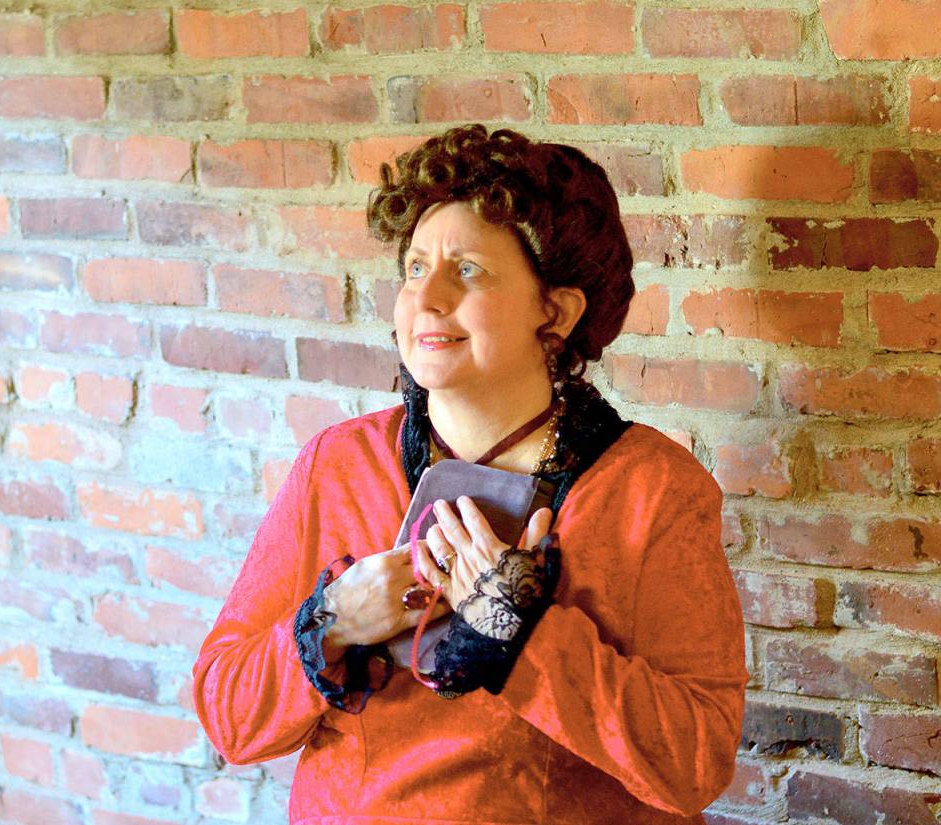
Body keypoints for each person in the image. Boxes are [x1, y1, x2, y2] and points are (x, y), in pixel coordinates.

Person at [193, 123, 748, 824]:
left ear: (557, 310)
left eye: (468, 270)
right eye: (414, 268)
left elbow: (695, 762)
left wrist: (524, 634)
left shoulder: (652, 488)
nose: (425, 298)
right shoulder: (337, 463)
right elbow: (229, 717)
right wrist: (331, 623)